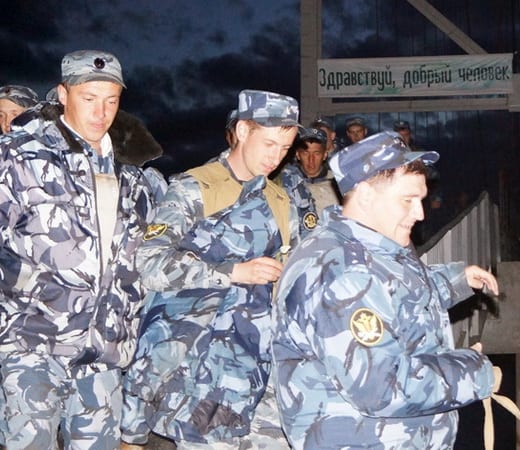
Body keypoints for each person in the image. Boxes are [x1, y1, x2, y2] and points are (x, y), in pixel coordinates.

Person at [271, 131, 502, 448]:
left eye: (421, 200)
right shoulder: (341, 273)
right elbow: (382, 388)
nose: (420, 214)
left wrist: (455, 281)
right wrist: (475, 371)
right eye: (408, 200)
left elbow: (393, 293)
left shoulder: (368, 247)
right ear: (366, 195)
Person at [121, 89, 303, 450]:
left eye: (285, 148)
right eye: (269, 144)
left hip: (259, 371)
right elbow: (150, 264)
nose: (276, 157)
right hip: (197, 374)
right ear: (242, 131)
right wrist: (233, 272)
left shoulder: (281, 201)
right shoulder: (195, 188)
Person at [0, 49, 164, 449]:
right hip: (32, 344)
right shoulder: (19, 158)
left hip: (104, 354)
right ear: (63, 95)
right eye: (88, 98)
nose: (101, 112)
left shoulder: (134, 176)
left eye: (111, 100)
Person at [282, 127, 341, 212]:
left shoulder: (338, 183)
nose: (311, 160)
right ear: (297, 154)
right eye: (305, 153)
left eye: (316, 153)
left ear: (325, 155)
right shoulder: (285, 181)